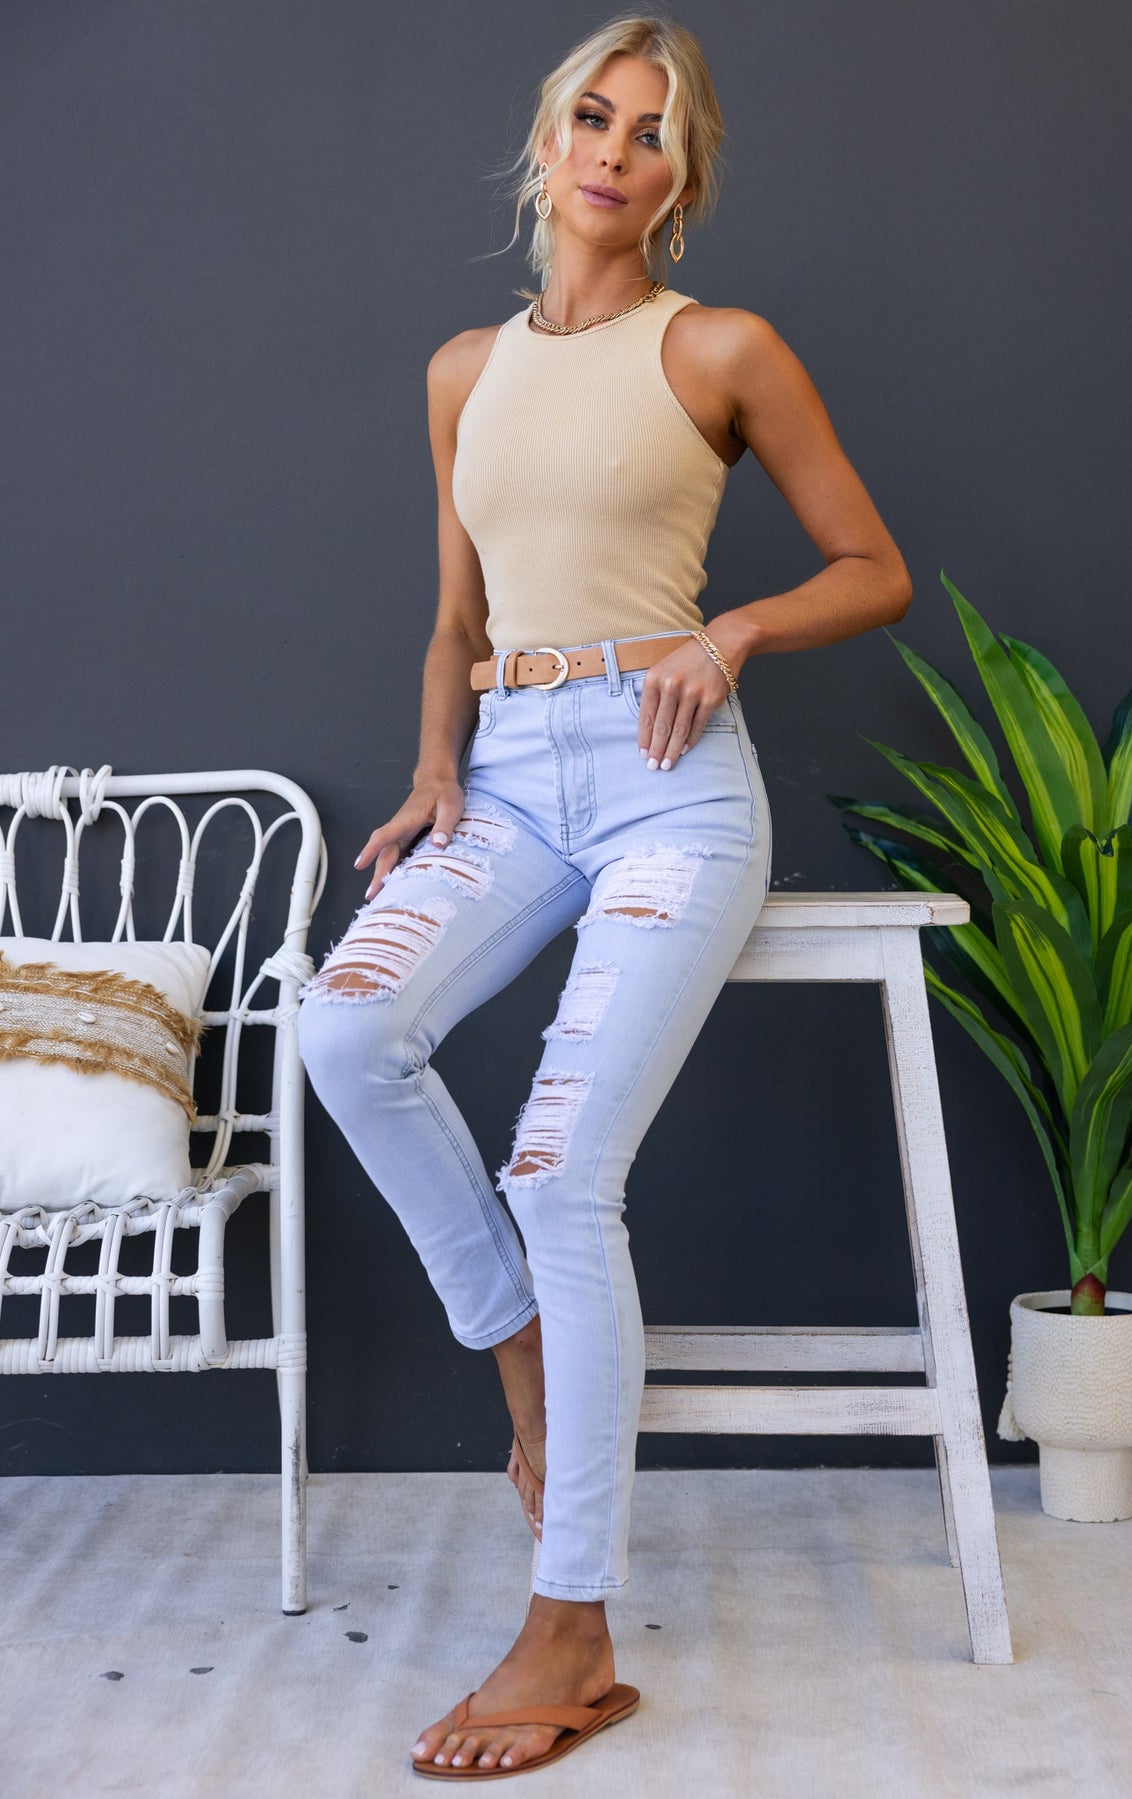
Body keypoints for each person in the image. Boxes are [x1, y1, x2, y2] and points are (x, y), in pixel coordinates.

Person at [297, 12, 911, 1781]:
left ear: (681, 179)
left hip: (669, 794)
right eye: (593, 115)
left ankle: (572, 1626)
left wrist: (733, 630)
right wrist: (431, 777)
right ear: (548, 139)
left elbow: (872, 569)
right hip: (509, 784)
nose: (616, 149)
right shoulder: (462, 371)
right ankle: (528, 1387)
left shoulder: (720, 346)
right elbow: (457, 619)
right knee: (345, 1030)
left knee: (565, 1165)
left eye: (654, 132)